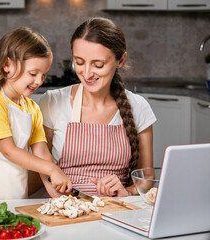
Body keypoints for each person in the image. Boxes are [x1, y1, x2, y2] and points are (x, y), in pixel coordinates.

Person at [39, 17, 157, 197]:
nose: (86, 73)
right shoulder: (53, 102)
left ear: (120, 60)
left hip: (117, 210)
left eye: (98, 65)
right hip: (65, 210)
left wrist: (125, 192)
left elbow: (147, 178)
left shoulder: (138, 107)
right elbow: (40, 167)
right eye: (79, 62)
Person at [0, 26, 72, 200]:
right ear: (7, 65)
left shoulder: (32, 108)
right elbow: (9, 151)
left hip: (16, 197)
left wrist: (51, 186)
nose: (39, 81)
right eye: (33, 73)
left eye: (43, 75)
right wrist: (53, 169)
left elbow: (42, 153)